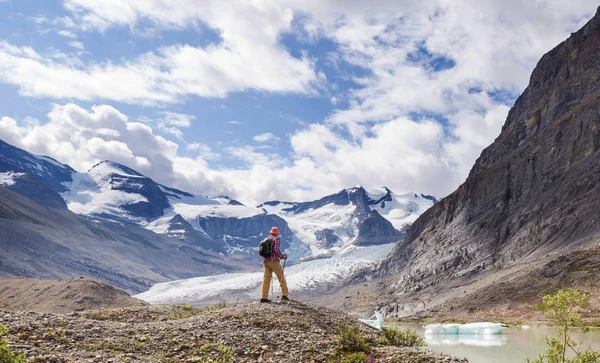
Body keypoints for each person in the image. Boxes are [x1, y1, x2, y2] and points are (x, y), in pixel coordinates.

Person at [260, 226, 289, 303]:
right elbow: (276, 250)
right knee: (281, 277)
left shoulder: (267, 239)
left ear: (271, 232)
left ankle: (264, 298)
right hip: (274, 261)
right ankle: (284, 295)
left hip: (266, 261)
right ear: (277, 233)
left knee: (266, 279)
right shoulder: (275, 239)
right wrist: (282, 257)